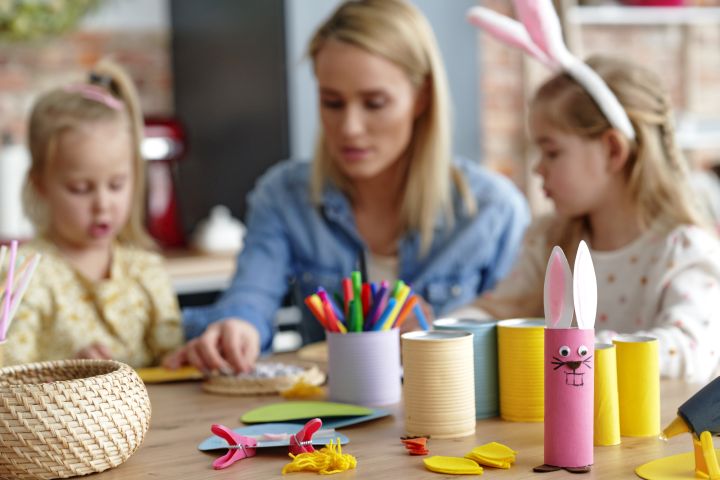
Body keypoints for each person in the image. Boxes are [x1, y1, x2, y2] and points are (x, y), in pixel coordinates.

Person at [164, 0, 529, 373]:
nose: (350, 127)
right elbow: (250, 297)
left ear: (421, 98)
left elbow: (518, 348)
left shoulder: (492, 210)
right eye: (332, 102)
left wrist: (446, 334)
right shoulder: (285, 195)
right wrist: (236, 327)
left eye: (374, 103)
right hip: (332, 422)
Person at [464, 55, 720, 383]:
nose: (538, 168)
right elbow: (496, 311)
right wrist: (446, 331)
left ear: (613, 150)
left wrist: (576, 348)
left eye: (552, 152)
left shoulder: (685, 250)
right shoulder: (547, 240)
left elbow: (690, 354)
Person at [4, 59, 184, 368]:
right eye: (80, 188)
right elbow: (11, 375)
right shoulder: (25, 276)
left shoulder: (145, 270)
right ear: (41, 184)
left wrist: (187, 355)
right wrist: (70, 371)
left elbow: (171, 359)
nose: (102, 204)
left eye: (116, 185)